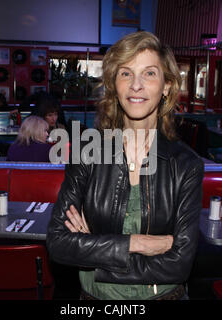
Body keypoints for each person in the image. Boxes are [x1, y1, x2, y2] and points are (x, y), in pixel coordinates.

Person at [46, 31, 204, 300]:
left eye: (150, 73)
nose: (136, 85)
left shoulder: (186, 165)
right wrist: (139, 243)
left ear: (166, 86)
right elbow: (59, 244)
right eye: (126, 73)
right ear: (113, 84)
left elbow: (180, 265)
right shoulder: (87, 153)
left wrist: (94, 252)